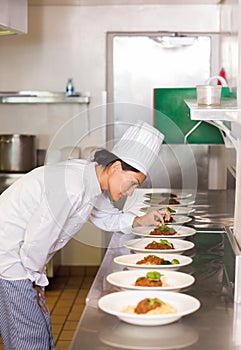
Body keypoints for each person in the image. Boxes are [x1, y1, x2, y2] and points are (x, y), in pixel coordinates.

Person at [0, 121, 168, 350]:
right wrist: (34, 278)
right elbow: (38, 239)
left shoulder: (90, 179)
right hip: (10, 257)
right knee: (30, 335)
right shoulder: (72, 184)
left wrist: (142, 220)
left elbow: (106, 217)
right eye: (132, 184)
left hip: (21, 258)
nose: (130, 192)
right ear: (116, 167)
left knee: (31, 329)